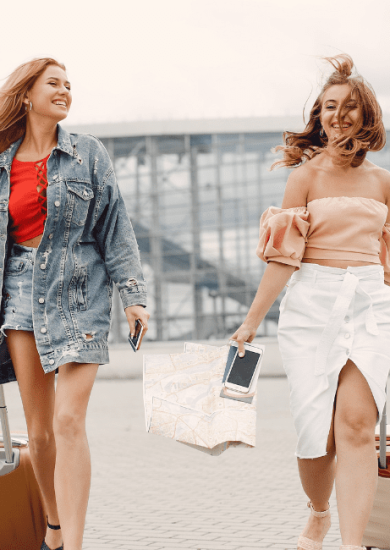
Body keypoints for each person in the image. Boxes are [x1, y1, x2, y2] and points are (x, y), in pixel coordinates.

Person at [231, 54, 390, 550]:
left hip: (370, 302)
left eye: (348, 106)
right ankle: (319, 512)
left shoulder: (384, 182)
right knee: (317, 436)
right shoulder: (304, 178)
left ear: (366, 114)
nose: (337, 115)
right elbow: (284, 258)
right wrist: (251, 322)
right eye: (327, 107)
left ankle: (351, 543)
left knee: (360, 427)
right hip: (311, 307)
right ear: (317, 117)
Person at [0, 58, 150, 550]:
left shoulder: (88, 154)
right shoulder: (2, 160)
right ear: (27, 95)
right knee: (39, 434)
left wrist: (133, 297)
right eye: (54, 84)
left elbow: (115, 227)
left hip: (82, 294)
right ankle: (56, 528)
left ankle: (75, 545)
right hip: (20, 295)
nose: (65, 90)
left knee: (68, 422)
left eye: (69, 84)